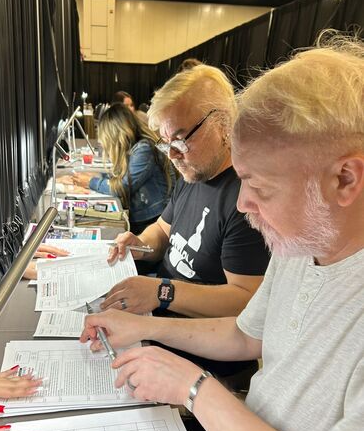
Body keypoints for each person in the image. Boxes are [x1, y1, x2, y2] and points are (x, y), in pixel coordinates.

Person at [81, 32, 364, 431]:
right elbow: (244, 333)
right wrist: (145, 329)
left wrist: (194, 388)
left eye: (260, 186)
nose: (247, 205)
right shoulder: (302, 244)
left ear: (345, 178)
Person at [103, 65, 269, 320]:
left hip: (197, 346)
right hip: (157, 317)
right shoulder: (193, 173)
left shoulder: (246, 198)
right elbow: (161, 229)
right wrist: (142, 244)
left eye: (180, 140)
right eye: (166, 143)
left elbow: (245, 300)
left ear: (222, 124)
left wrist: (163, 292)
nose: (172, 155)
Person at [72, 103, 176, 234]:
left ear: (115, 133)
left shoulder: (144, 149)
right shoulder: (133, 148)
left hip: (152, 221)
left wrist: (90, 182)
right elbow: (116, 176)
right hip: (143, 218)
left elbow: (122, 187)